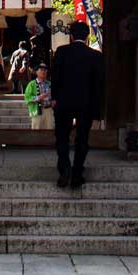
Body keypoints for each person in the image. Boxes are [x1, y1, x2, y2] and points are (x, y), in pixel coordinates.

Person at [51, 20, 104, 188]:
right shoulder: (95, 56)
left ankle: (65, 169)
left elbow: (55, 77)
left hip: (64, 101)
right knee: (82, 139)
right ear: (87, 36)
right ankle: (77, 173)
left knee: (62, 137)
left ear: (71, 36)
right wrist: (97, 106)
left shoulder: (61, 52)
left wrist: (54, 98)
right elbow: (98, 84)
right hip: (86, 102)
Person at [24, 63, 54, 129]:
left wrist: (54, 101)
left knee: (49, 129)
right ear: (36, 72)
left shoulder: (50, 84)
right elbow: (27, 98)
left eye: (45, 70)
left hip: (49, 110)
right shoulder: (31, 84)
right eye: (41, 70)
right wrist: (38, 98)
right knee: (36, 131)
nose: (43, 71)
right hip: (37, 110)